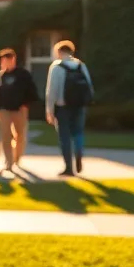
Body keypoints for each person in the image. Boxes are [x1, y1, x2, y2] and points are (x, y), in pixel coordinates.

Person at [45, 39, 94, 177]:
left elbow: (51, 91)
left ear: (59, 52)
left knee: (64, 137)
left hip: (63, 107)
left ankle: (68, 167)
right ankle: (79, 151)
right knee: (78, 132)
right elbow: (89, 85)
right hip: (79, 106)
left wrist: (49, 110)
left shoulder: (56, 67)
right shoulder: (80, 65)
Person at [0, 48, 39, 173]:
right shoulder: (0, 76)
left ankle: (17, 158)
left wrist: (25, 105)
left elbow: (32, 91)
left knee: (20, 135)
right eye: (2, 61)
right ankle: (9, 162)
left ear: (13, 60)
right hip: (3, 110)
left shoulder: (23, 75)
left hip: (20, 110)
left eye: (6, 60)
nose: (4, 63)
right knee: (6, 136)